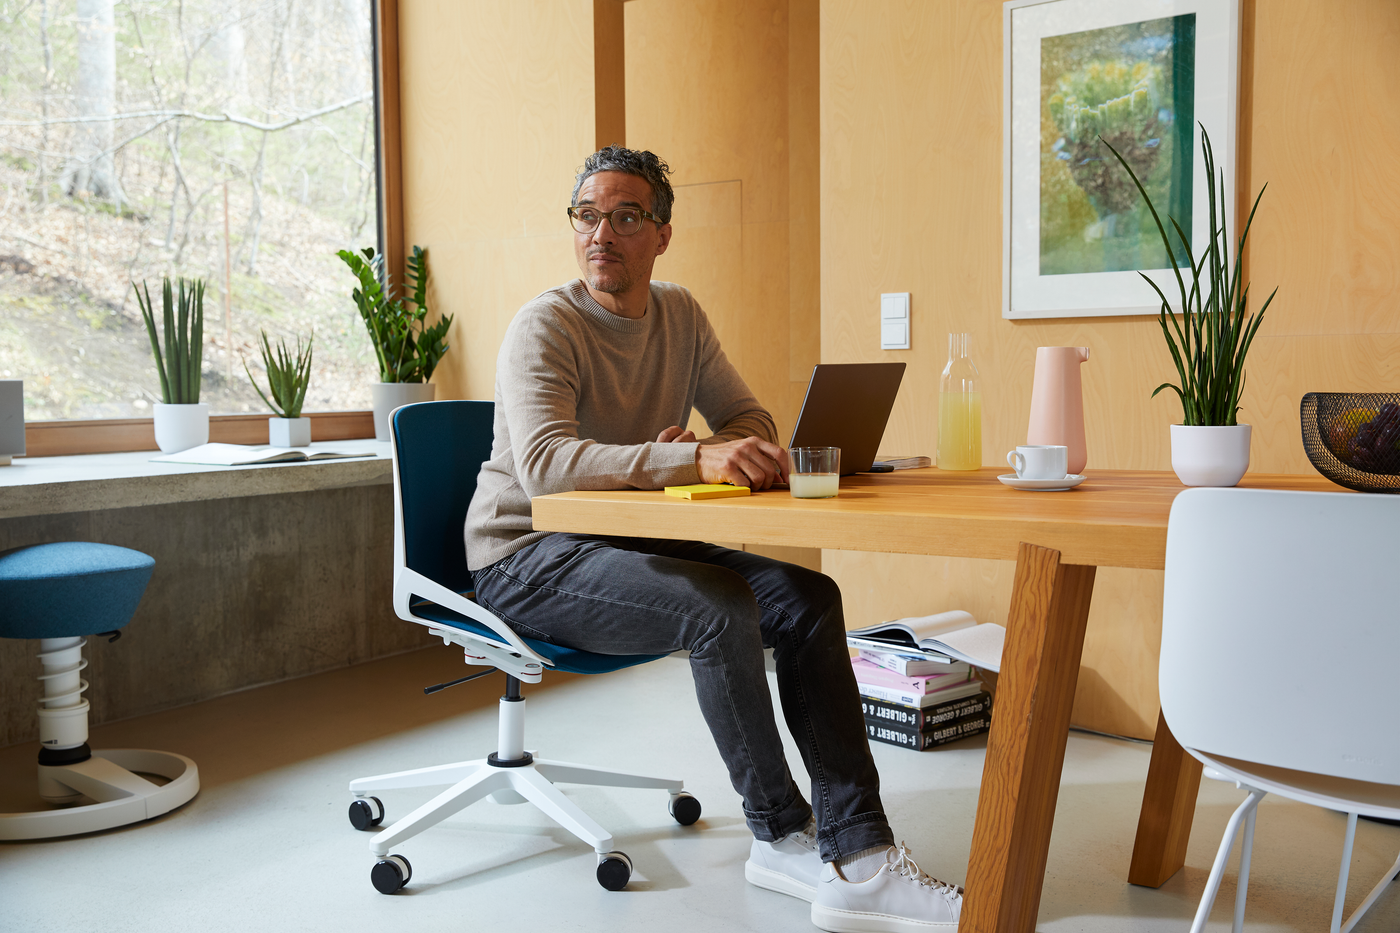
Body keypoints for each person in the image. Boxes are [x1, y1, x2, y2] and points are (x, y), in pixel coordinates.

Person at [465, 146, 962, 932]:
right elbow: (546, 469)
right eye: (588, 215)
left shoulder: (681, 314)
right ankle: (778, 831)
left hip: (624, 540)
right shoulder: (546, 325)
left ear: (662, 234)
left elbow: (752, 421)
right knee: (718, 607)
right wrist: (684, 455)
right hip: (524, 555)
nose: (603, 233)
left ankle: (861, 849)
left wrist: (710, 443)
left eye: (627, 216)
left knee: (806, 595)